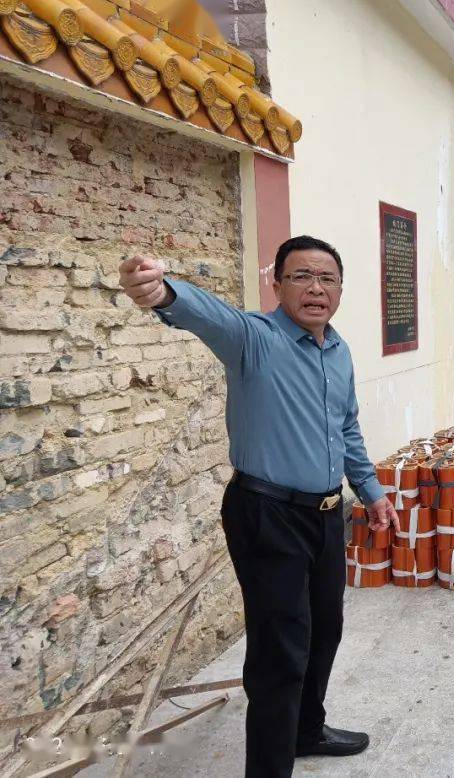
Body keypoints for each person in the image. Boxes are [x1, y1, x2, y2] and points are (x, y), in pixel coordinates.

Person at [118, 236, 399, 777]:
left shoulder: (337, 352)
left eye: (327, 278)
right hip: (266, 514)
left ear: (340, 289)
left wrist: (372, 491)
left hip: (325, 515)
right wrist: (161, 289)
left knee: (325, 628)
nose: (316, 288)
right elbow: (205, 314)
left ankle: (305, 731)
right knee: (280, 652)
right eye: (301, 276)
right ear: (278, 283)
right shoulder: (255, 338)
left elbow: (347, 428)